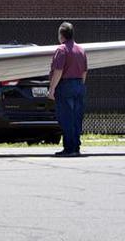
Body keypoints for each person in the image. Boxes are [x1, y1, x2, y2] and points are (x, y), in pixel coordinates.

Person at [48, 21, 88, 157]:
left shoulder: (61, 50)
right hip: (79, 85)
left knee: (66, 118)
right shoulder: (81, 50)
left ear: (61, 35)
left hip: (65, 86)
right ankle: (76, 147)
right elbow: (84, 72)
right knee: (76, 118)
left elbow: (58, 71)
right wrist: (80, 85)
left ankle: (69, 148)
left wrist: (52, 88)